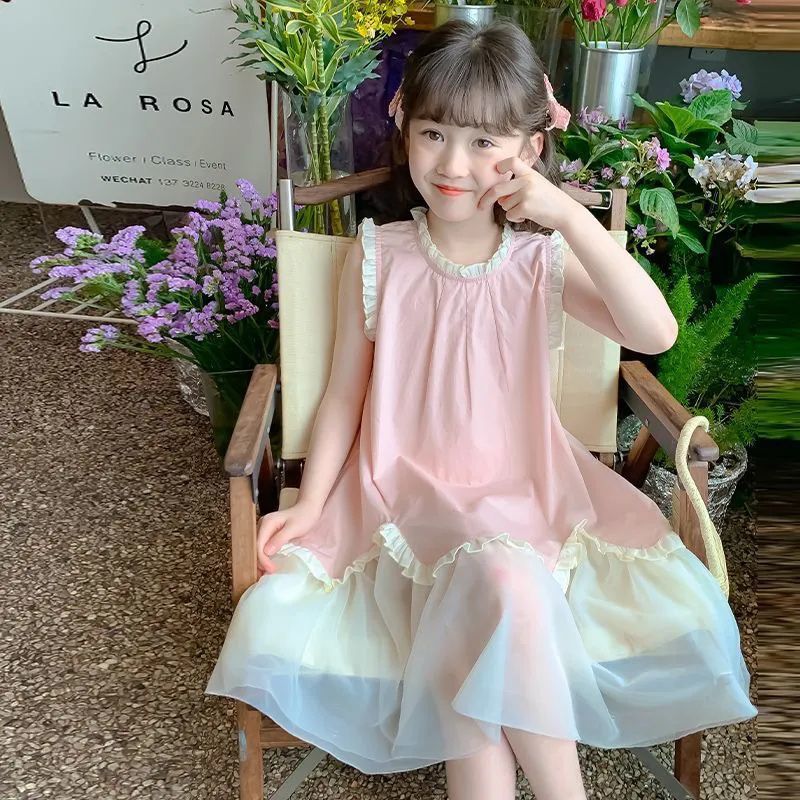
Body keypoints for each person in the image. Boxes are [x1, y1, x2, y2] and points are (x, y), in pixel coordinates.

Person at [206, 19, 757, 800]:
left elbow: (655, 333)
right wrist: (311, 505)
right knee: (500, 578)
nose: (453, 164)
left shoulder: (540, 259)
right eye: (433, 134)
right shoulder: (378, 254)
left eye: (484, 142)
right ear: (404, 126)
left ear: (530, 149)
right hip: (403, 494)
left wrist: (569, 216)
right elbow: (343, 396)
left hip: (526, 491)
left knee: (501, 584)